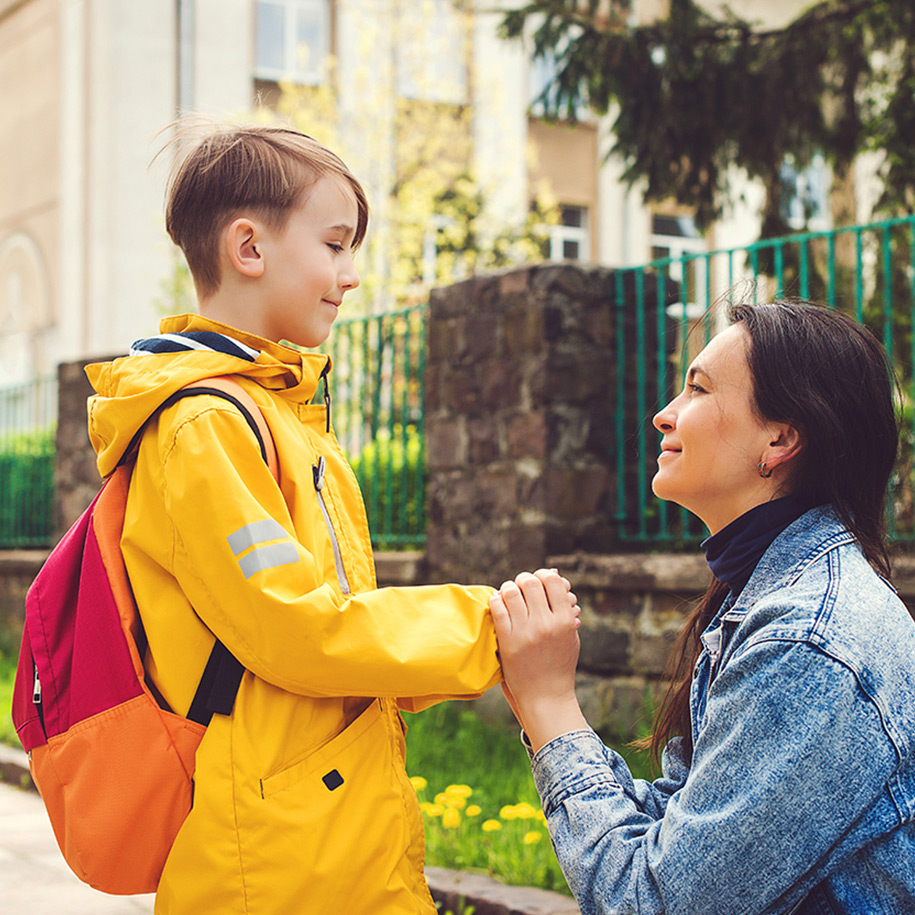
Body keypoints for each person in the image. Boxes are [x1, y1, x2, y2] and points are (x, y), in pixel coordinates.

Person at [85, 123, 504, 914]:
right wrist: (487, 628)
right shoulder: (206, 426)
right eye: (336, 244)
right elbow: (295, 630)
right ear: (249, 246)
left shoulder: (275, 413)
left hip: (319, 821)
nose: (350, 277)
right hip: (275, 854)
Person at [490, 300, 915, 914]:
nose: (664, 415)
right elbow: (679, 831)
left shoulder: (806, 643)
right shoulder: (763, 597)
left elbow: (653, 901)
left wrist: (550, 705)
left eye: (698, 389)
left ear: (781, 438)